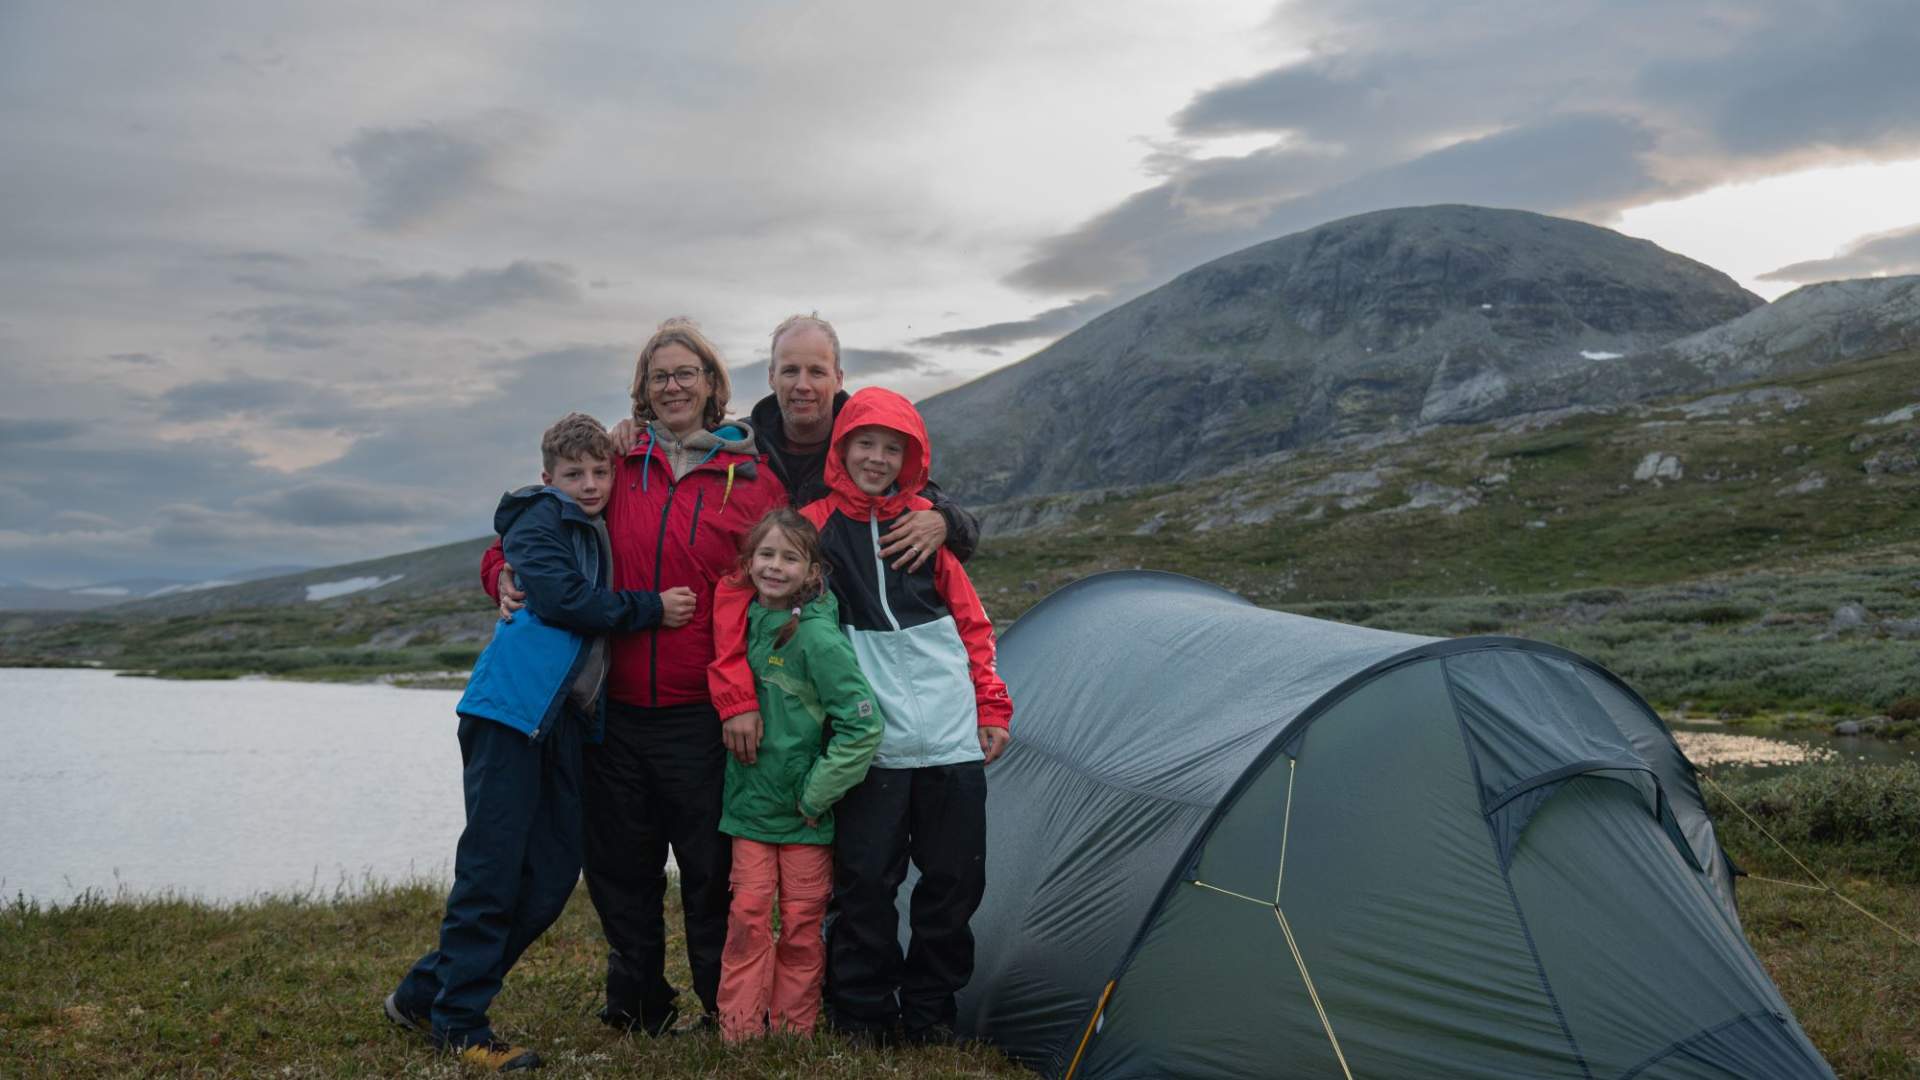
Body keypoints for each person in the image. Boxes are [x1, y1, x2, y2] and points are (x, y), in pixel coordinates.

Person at [482, 318, 787, 1036]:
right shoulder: (617, 465)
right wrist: (499, 573)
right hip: (609, 712)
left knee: (712, 872)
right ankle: (638, 1005)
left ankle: (726, 1007)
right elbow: (528, 535)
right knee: (622, 871)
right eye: (659, 376)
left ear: (713, 384)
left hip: (704, 712)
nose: (673, 385)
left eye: (687, 372)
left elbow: (788, 578)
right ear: (642, 392)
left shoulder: (755, 480)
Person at [387, 413, 695, 1071]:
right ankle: (460, 1024)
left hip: (559, 723)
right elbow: (559, 598)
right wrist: (651, 609)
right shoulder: (538, 517)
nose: (589, 484)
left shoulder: (593, 522)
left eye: (599, 471)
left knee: (551, 876)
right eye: (574, 474)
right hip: (509, 714)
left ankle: (421, 993)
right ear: (546, 477)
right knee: (493, 871)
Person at [721, 386, 1012, 1045]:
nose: (877, 458)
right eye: (865, 444)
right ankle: (861, 1012)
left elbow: (974, 627)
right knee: (864, 888)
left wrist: (990, 707)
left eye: (892, 448)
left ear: (912, 459)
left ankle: (931, 1012)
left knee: (952, 884)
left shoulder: (929, 530)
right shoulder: (814, 526)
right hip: (870, 743)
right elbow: (751, 597)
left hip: (949, 739)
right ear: (842, 448)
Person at [714, 508, 883, 1041]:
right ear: (748, 562)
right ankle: (739, 1033)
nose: (775, 566)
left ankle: (794, 1031)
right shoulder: (739, 624)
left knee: (804, 926)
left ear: (812, 573)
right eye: (766, 554)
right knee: (747, 919)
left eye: (790, 557)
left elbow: (863, 727)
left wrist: (815, 794)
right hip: (748, 812)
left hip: (806, 817)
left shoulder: (818, 639)